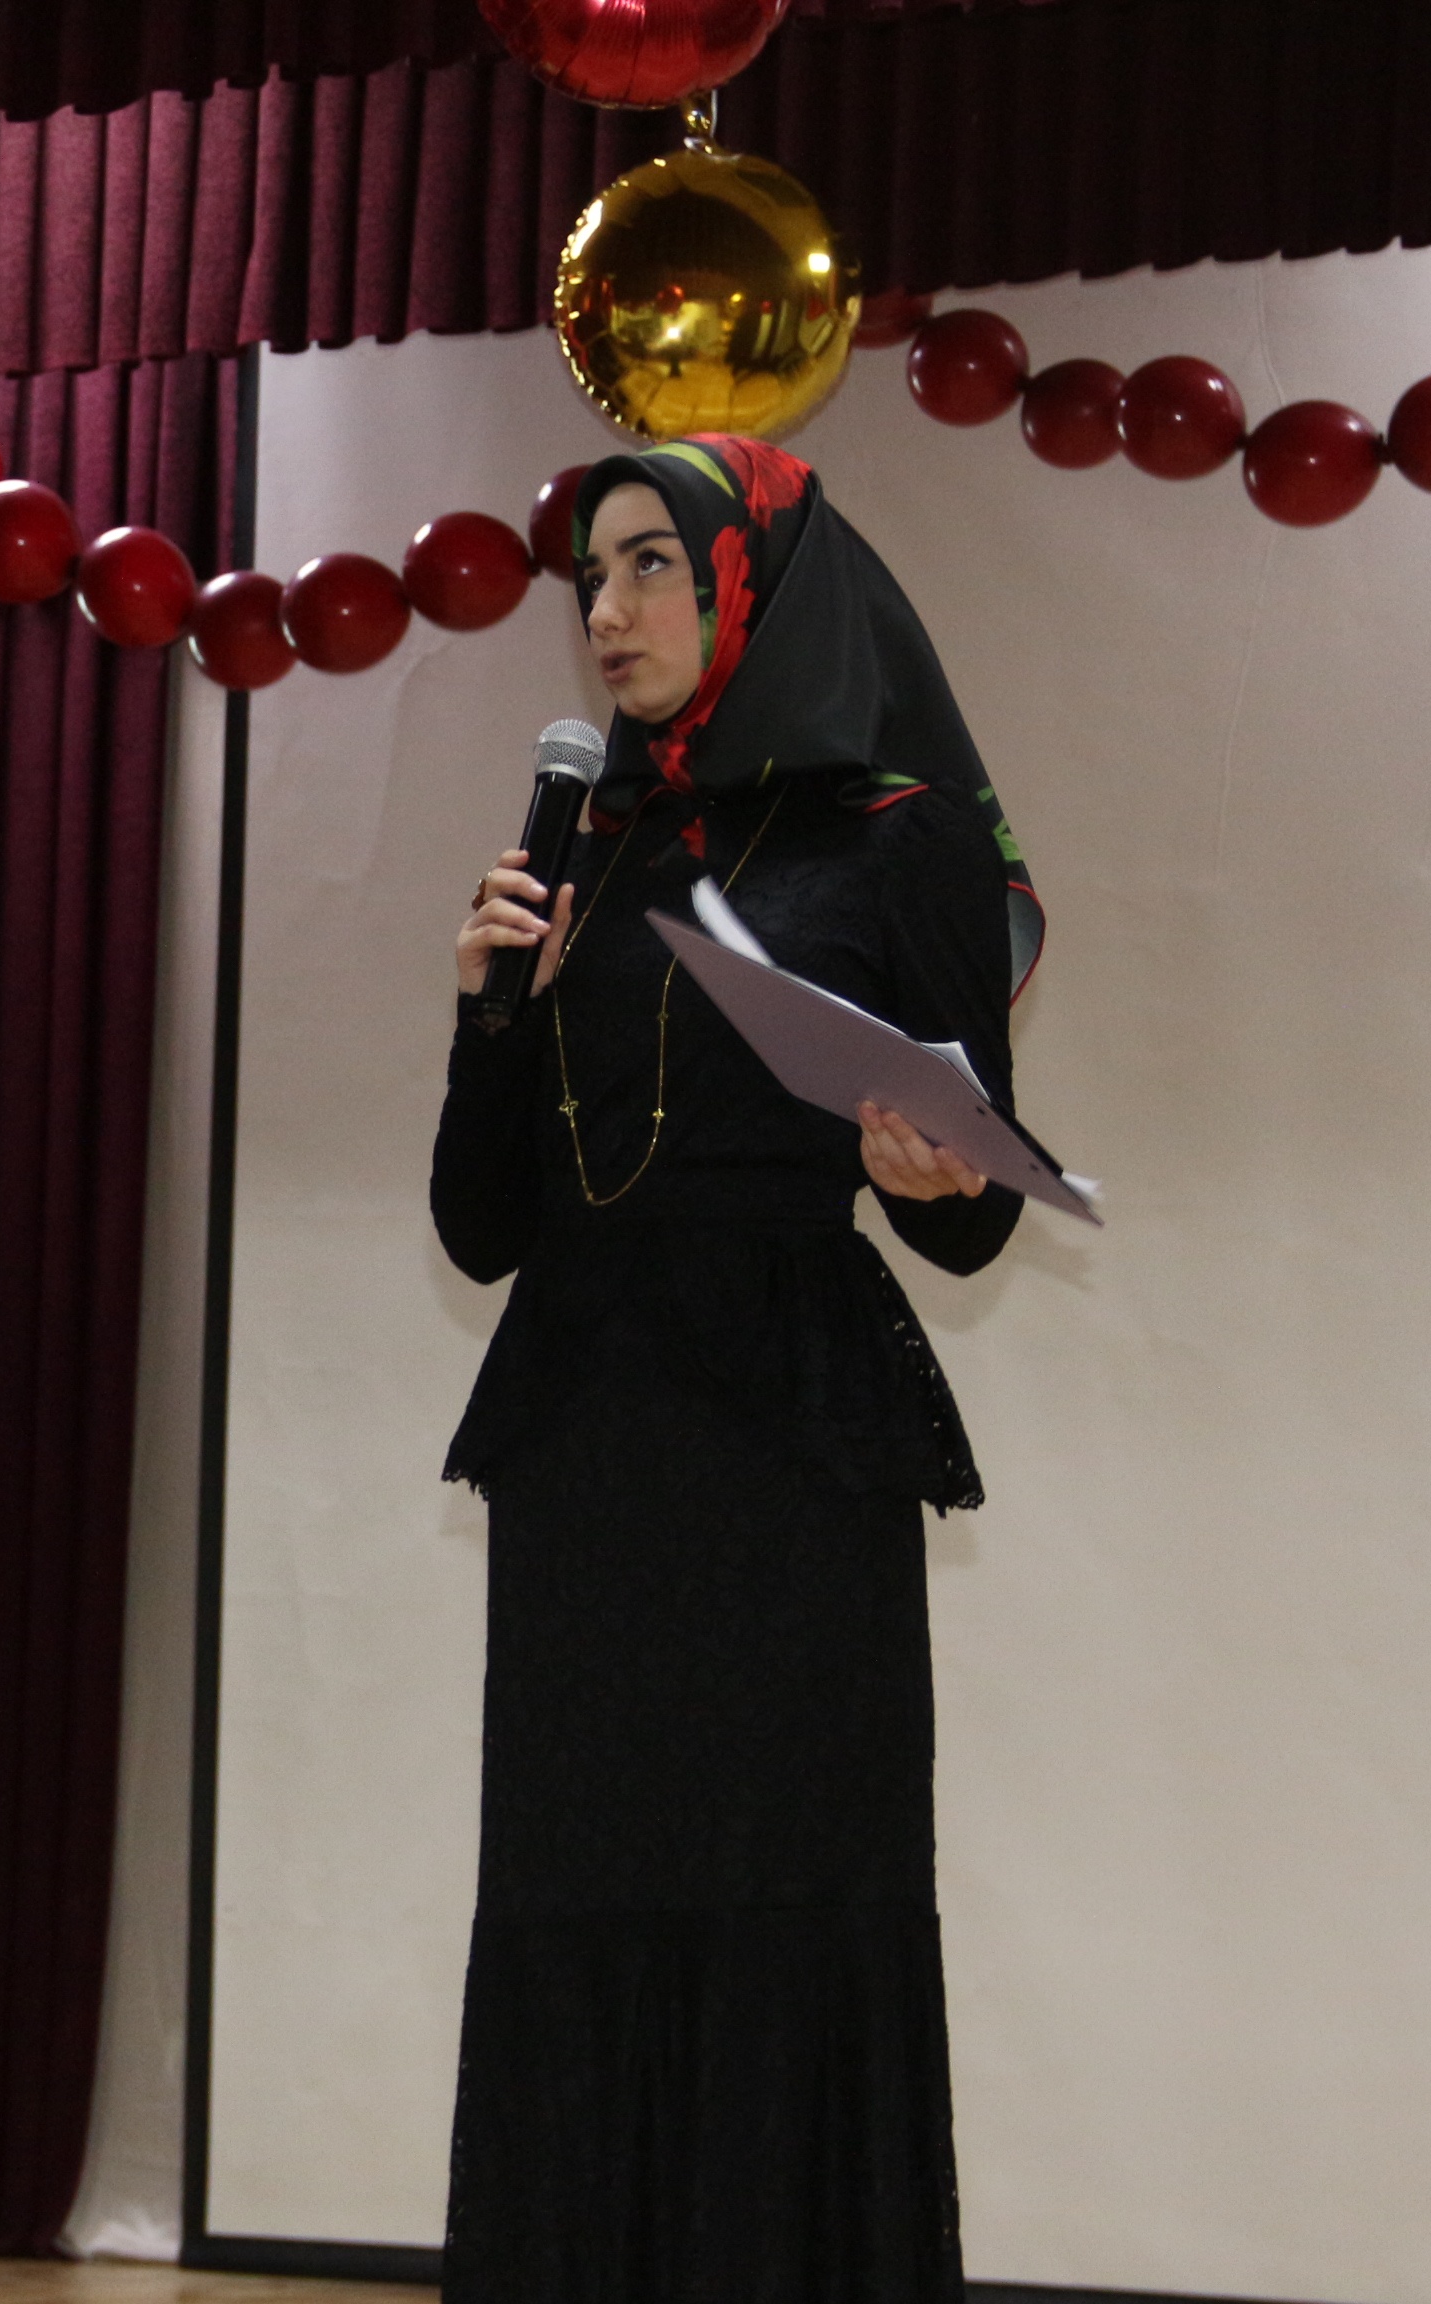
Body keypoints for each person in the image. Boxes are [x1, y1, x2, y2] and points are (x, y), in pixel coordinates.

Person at [431, 432, 1042, 2302]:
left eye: (650, 567)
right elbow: (480, 1224)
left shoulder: (899, 835)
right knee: (579, 1898)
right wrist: (486, 1016)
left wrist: (926, 1168)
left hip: (786, 1440)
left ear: (750, 587)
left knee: (787, 1902)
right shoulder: (581, 846)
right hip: (586, 1436)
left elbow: (974, 1219)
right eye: (588, 579)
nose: (606, 614)